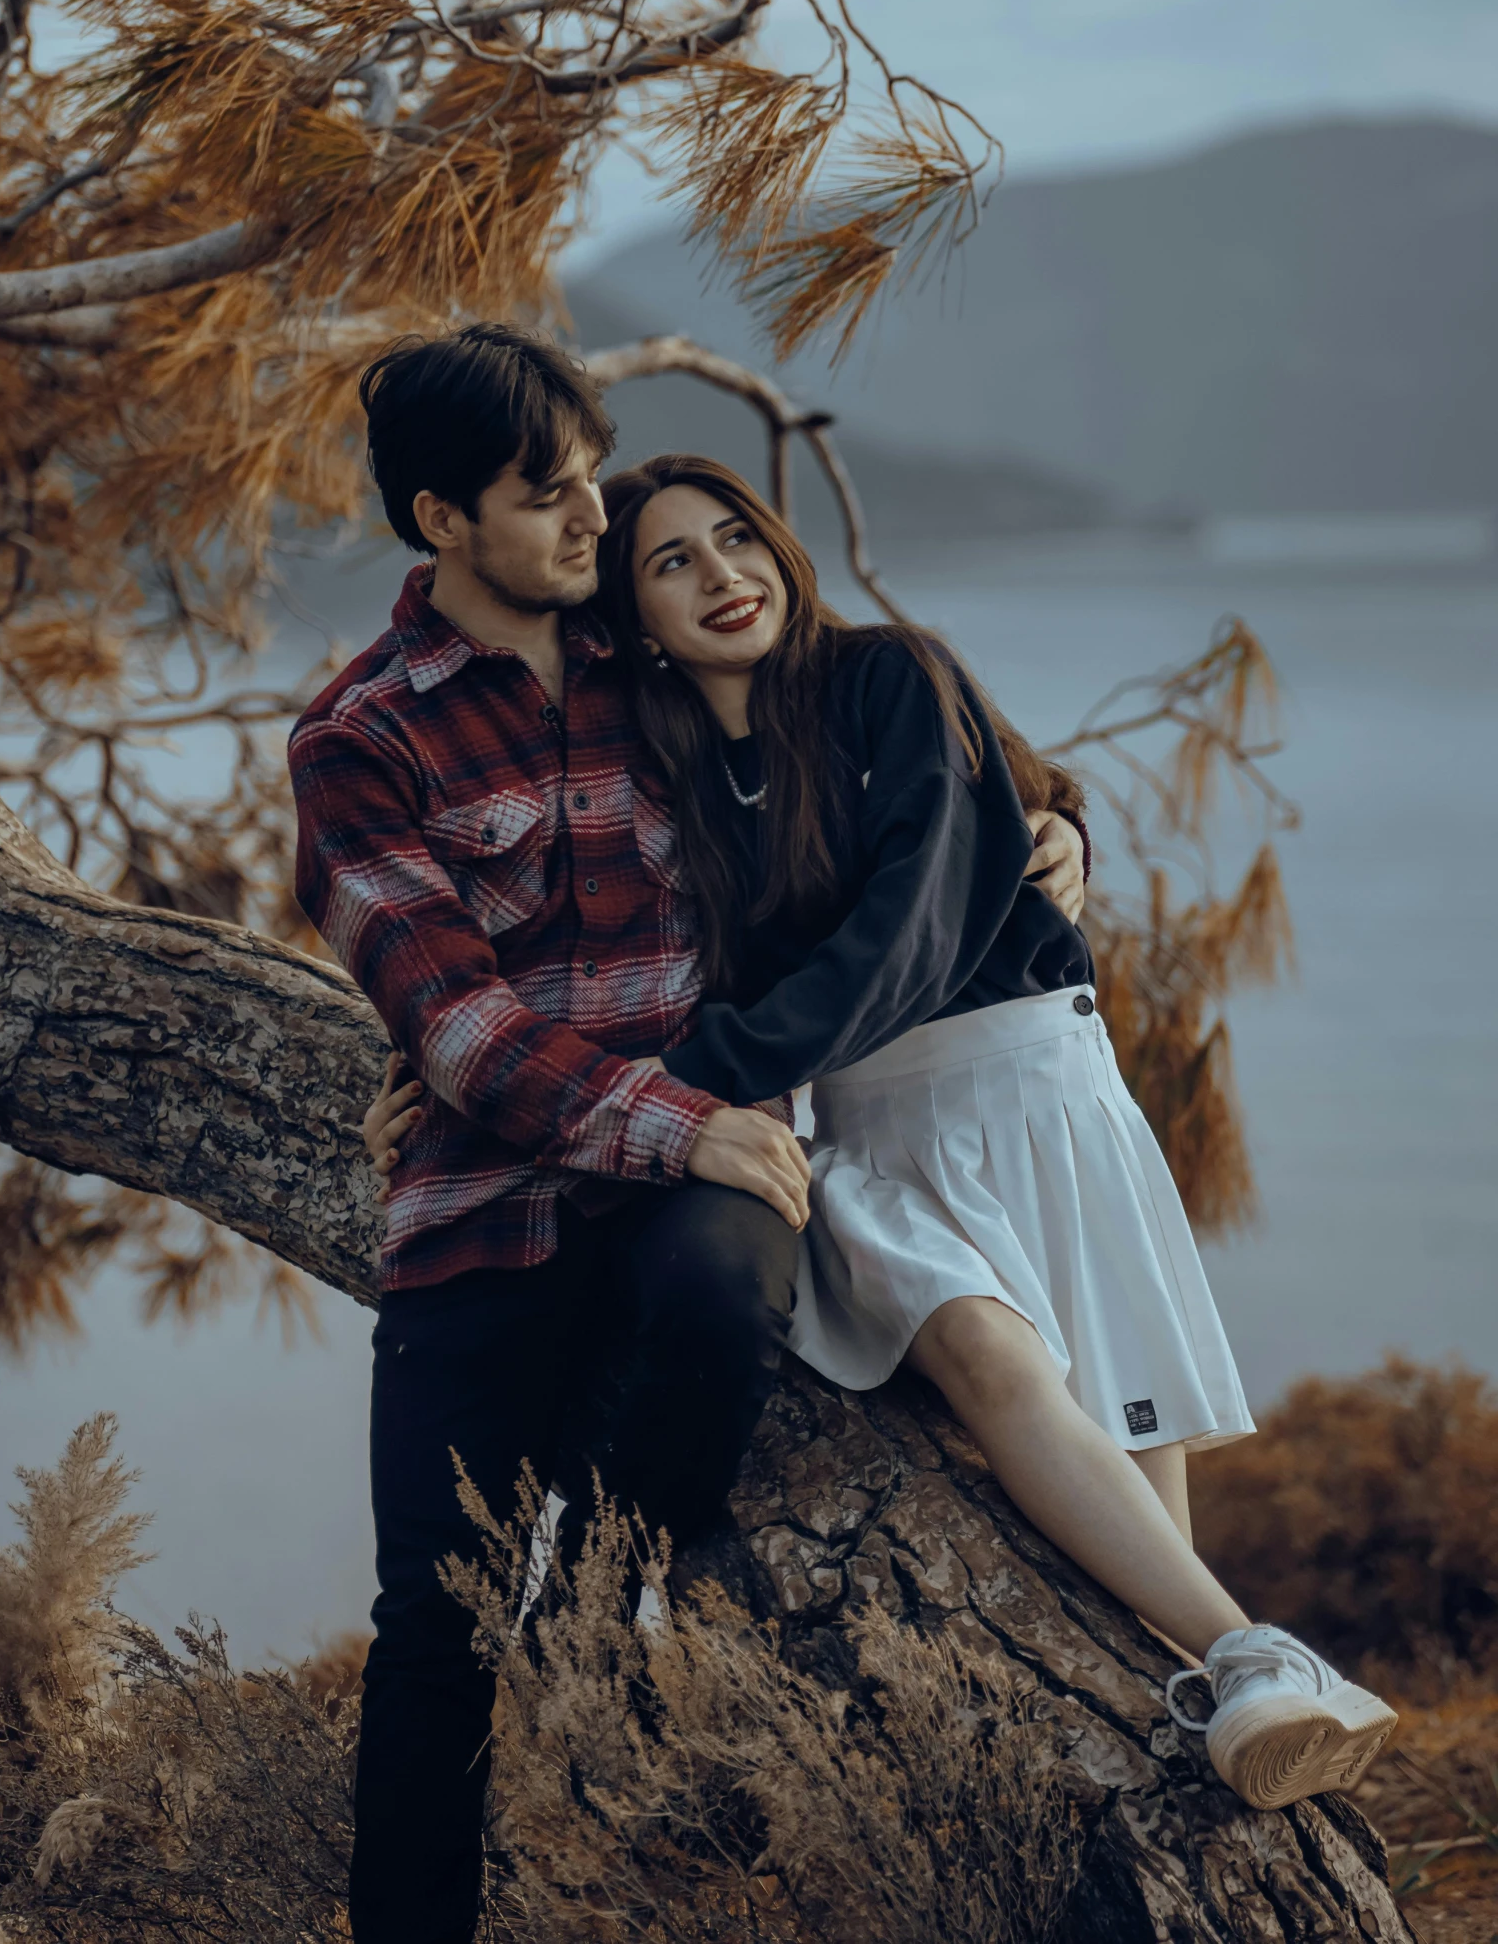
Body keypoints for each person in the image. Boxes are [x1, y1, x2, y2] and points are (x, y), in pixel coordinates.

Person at [367, 449, 1397, 1815]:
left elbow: (899, 939)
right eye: (671, 560)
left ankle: (1241, 1688)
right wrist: (446, 1064)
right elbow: (569, 932)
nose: (720, 575)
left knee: (1139, 1508)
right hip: (857, 1128)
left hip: (1032, 1093)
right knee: (982, 1349)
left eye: (735, 537)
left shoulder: (889, 675)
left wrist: (668, 1071)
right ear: (634, 613)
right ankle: (1258, 1660)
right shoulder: (666, 773)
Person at [288, 334, 819, 1944]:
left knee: (728, 1298)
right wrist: (678, 1124)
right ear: (441, 518)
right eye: (544, 491)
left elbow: (854, 717)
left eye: (592, 468)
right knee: (428, 1632)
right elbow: (457, 1031)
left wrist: (1050, 811)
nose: (592, 510)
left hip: (681, 1206)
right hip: (484, 1209)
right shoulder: (355, 740)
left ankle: (612, 1606)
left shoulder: (645, 643)